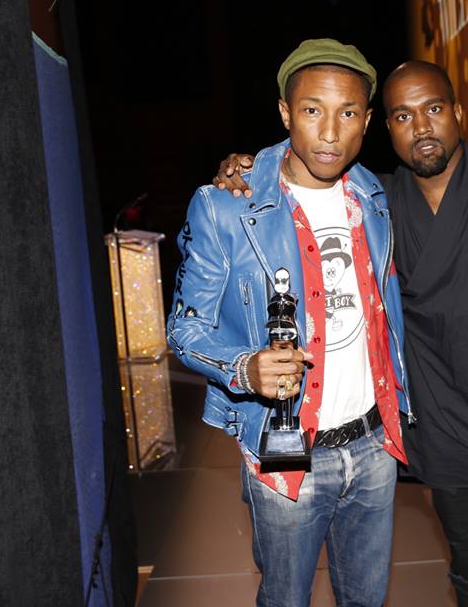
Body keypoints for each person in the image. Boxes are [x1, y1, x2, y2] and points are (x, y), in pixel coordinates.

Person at [212, 60, 468, 606]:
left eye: (433, 109)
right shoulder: (378, 205)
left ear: (458, 112)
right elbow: (302, 183)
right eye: (403, 116)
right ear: (384, 128)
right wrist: (248, 166)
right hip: (454, 435)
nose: (421, 127)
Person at [168, 39, 412, 607]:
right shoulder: (226, 205)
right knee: (284, 599)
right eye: (311, 110)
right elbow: (184, 327)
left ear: (366, 121)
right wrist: (243, 366)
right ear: (284, 112)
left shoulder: (373, 195)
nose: (329, 132)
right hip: (286, 453)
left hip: (375, 445)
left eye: (347, 113)